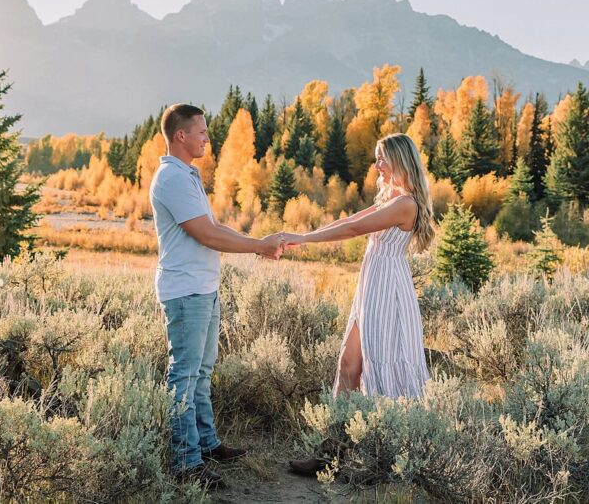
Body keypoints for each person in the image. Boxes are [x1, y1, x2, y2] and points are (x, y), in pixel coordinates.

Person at [282, 133, 435, 476]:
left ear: (399, 161)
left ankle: (389, 458)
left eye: (382, 158)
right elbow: (345, 222)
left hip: (388, 294)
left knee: (382, 366)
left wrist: (304, 239)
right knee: (347, 365)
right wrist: (302, 238)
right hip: (371, 288)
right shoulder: (390, 198)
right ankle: (329, 455)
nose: (376, 165)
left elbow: (353, 230)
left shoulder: (405, 203)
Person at [150, 103, 285, 488]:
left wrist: (257, 242)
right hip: (186, 291)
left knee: (202, 373)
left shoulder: (187, 175)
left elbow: (212, 225)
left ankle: (207, 444)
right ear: (181, 135)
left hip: (204, 288)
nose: (208, 138)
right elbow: (206, 235)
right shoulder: (172, 179)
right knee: (184, 375)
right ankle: (186, 463)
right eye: (202, 132)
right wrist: (258, 247)